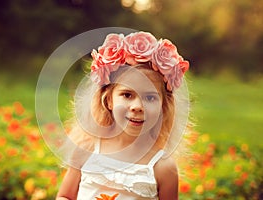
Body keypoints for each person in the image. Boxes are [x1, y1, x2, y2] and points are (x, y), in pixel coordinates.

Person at [56, 31, 190, 200]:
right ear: (109, 100)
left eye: (150, 97)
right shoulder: (87, 149)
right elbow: (65, 196)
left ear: (163, 106)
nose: (137, 107)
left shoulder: (162, 167)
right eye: (127, 95)